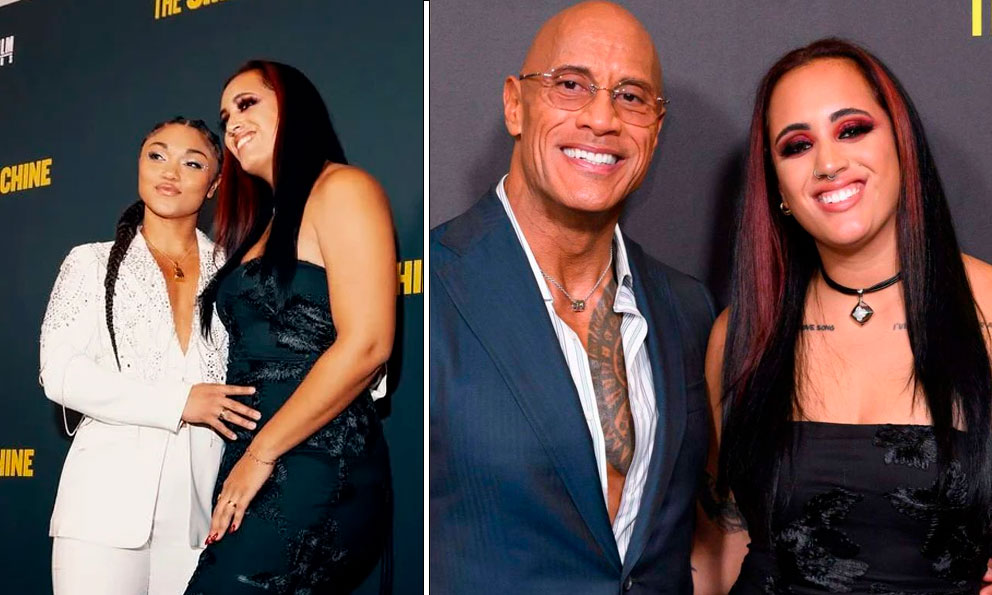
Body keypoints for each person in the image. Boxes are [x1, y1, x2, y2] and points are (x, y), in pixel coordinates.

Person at [430, 2, 715, 593]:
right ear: (515, 105)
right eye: (571, 85)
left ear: (656, 129)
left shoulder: (689, 309)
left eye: (631, 97)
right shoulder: (426, 287)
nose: (602, 119)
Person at [692, 38, 992, 594]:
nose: (828, 163)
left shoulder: (988, 310)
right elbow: (719, 544)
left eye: (851, 130)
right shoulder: (741, 335)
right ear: (778, 187)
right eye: (797, 145)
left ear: (901, 143)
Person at [183, 60, 395, 594]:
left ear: (293, 107)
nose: (233, 124)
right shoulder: (264, 224)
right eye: (225, 117)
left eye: (247, 104)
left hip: (316, 458)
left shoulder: (343, 188)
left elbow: (368, 343)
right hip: (257, 459)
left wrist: (261, 453)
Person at [39, 117, 260, 595]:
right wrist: (178, 402)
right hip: (100, 515)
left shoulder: (236, 273)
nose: (170, 172)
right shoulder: (91, 262)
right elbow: (60, 372)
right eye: (157, 155)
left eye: (192, 163)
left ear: (214, 185)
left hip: (199, 519)